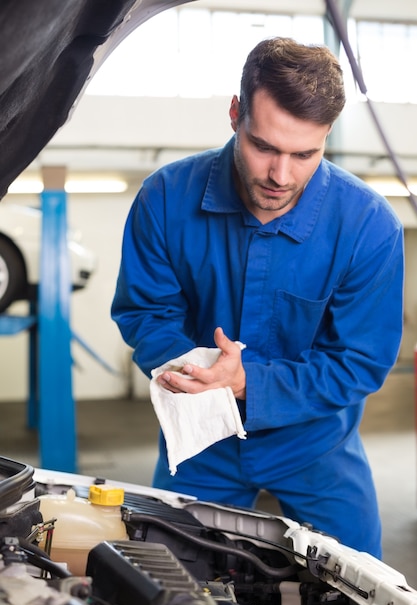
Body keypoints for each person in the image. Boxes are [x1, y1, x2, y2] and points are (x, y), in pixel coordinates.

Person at [111, 37, 404, 558]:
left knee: (363, 592)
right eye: (264, 146)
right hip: (200, 439)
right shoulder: (164, 198)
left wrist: (249, 383)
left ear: (327, 136)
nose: (280, 175)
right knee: (166, 581)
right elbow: (146, 313)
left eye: (305, 154)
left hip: (316, 443)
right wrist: (197, 371)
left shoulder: (368, 226)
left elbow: (360, 361)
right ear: (234, 114)